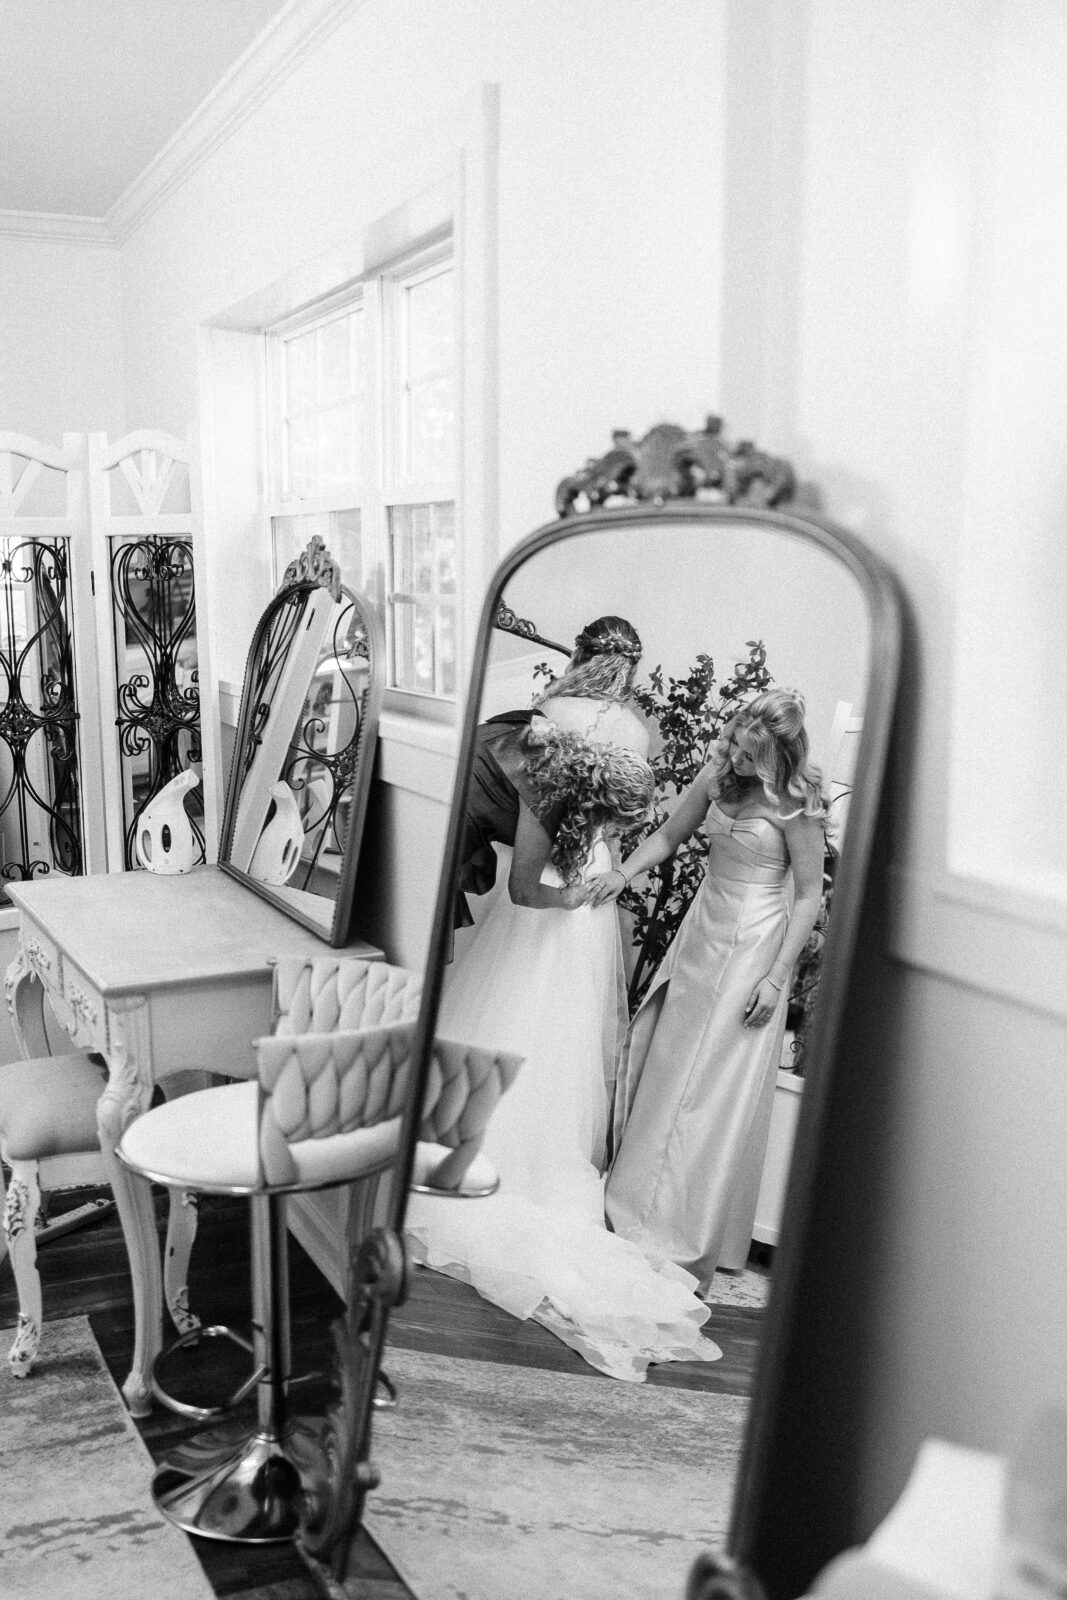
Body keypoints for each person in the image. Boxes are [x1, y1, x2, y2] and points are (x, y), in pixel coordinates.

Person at [406, 645, 722, 1383]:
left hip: (572, 924)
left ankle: (507, 1150)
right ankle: (504, 1153)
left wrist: (584, 888)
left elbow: (540, 878)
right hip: (570, 916)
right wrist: (581, 893)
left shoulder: (563, 765)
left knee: (545, 1037)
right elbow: (532, 885)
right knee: (539, 1034)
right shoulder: (571, 780)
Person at [591, 687, 829, 1295]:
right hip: (702, 932)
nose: (737, 759)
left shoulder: (797, 806)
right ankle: (630, 1206)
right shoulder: (718, 774)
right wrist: (622, 873)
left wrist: (776, 977)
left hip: (755, 946)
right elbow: (669, 837)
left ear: (778, 754)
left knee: (712, 1088)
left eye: (751, 754)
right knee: (670, 1068)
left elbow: (809, 895)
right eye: (735, 746)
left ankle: (680, 1231)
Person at [454, 615, 649, 926]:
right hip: (583, 857)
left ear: (580, 656)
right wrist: (615, 868)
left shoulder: (554, 710)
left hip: (537, 846)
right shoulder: (639, 735)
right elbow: (609, 825)